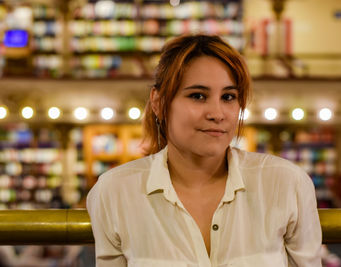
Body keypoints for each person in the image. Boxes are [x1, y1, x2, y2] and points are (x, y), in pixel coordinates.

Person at [87, 34, 322, 267]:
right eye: (198, 96)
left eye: (228, 97)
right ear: (158, 103)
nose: (217, 113)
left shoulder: (287, 184)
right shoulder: (114, 192)